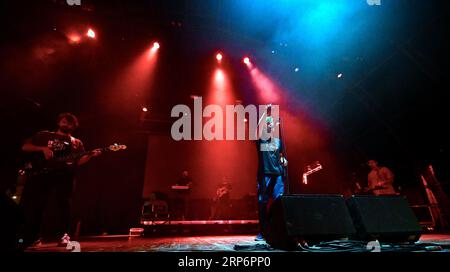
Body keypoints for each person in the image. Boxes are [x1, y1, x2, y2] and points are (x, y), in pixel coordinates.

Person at [19, 113, 102, 249]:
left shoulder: (76, 142)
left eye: (69, 123)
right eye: (63, 121)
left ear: (73, 126)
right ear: (58, 123)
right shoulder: (44, 135)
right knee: (37, 206)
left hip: (64, 176)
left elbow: (78, 161)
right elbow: (25, 147)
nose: (65, 124)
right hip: (42, 175)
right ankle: (34, 237)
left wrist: (90, 155)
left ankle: (64, 236)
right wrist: (43, 148)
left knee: (64, 206)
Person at [255, 105, 287, 241]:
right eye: (267, 123)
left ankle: (278, 230)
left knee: (280, 203)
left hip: (278, 176)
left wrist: (283, 159)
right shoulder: (261, 139)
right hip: (265, 176)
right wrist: (265, 113)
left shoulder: (278, 141)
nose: (270, 125)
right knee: (263, 205)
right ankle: (263, 232)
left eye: (271, 123)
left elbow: (279, 156)